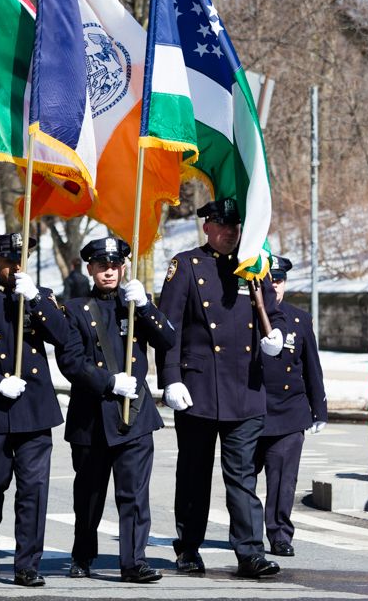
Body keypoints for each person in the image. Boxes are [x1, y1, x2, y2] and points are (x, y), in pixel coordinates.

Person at [157, 198, 286, 579]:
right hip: (198, 389)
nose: (231, 233)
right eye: (224, 226)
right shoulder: (186, 265)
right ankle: (189, 548)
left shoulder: (251, 266)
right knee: (194, 473)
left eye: (236, 226)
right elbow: (169, 328)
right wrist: (171, 378)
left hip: (244, 388)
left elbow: (271, 313)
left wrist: (275, 335)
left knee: (243, 476)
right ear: (207, 227)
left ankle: (250, 552)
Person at [0, 232, 82, 587]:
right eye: (8, 260)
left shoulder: (42, 298)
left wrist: (36, 299)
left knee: (34, 490)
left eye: (21, 259)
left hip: (35, 407)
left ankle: (27, 563)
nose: (15, 266)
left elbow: (63, 337)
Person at [40, 236, 172, 583]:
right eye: (101, 266)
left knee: (133, 495)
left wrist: (145, 307)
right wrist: (108, 382)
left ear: (123, 267)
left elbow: (169, 340)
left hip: (135, 415)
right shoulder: (76, 309)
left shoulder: (134, 304)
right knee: (89, 495)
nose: (109, 272)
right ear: (90, 269)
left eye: (114, 266)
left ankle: (134, 562)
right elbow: (70, 360)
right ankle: (82, 554)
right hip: (92, 417)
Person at [255, 255, 327, 558]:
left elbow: (311, 365)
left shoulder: (298, 319)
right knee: (243, 480)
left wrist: (318, 408)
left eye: (279, 279)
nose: (274, 285)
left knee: (284, 481)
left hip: (289, 411)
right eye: (268, 279)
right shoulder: (245, 314)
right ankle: (246, 535)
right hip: (251, 410)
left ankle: (280, 534)